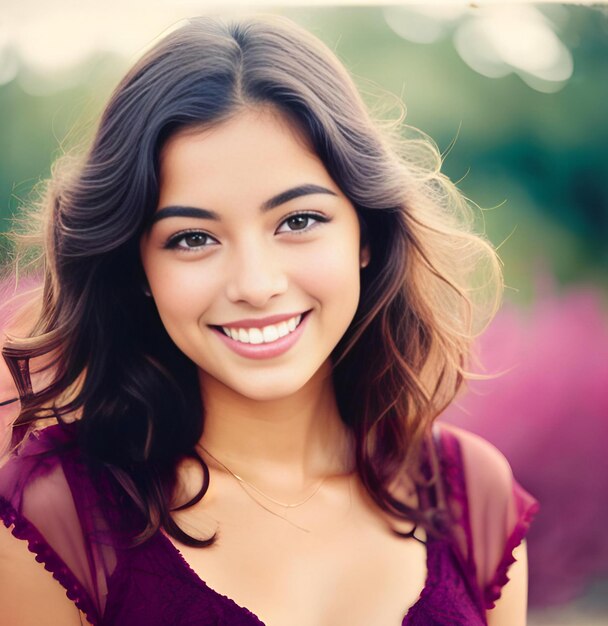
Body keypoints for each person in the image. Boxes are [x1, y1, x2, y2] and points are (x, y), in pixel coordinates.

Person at [0, 14, 539, 626]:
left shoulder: (472, 495)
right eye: (193, 237)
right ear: (137, 267)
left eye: (299, 221)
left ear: (366, 232)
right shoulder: (58, 516)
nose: (256, 285)